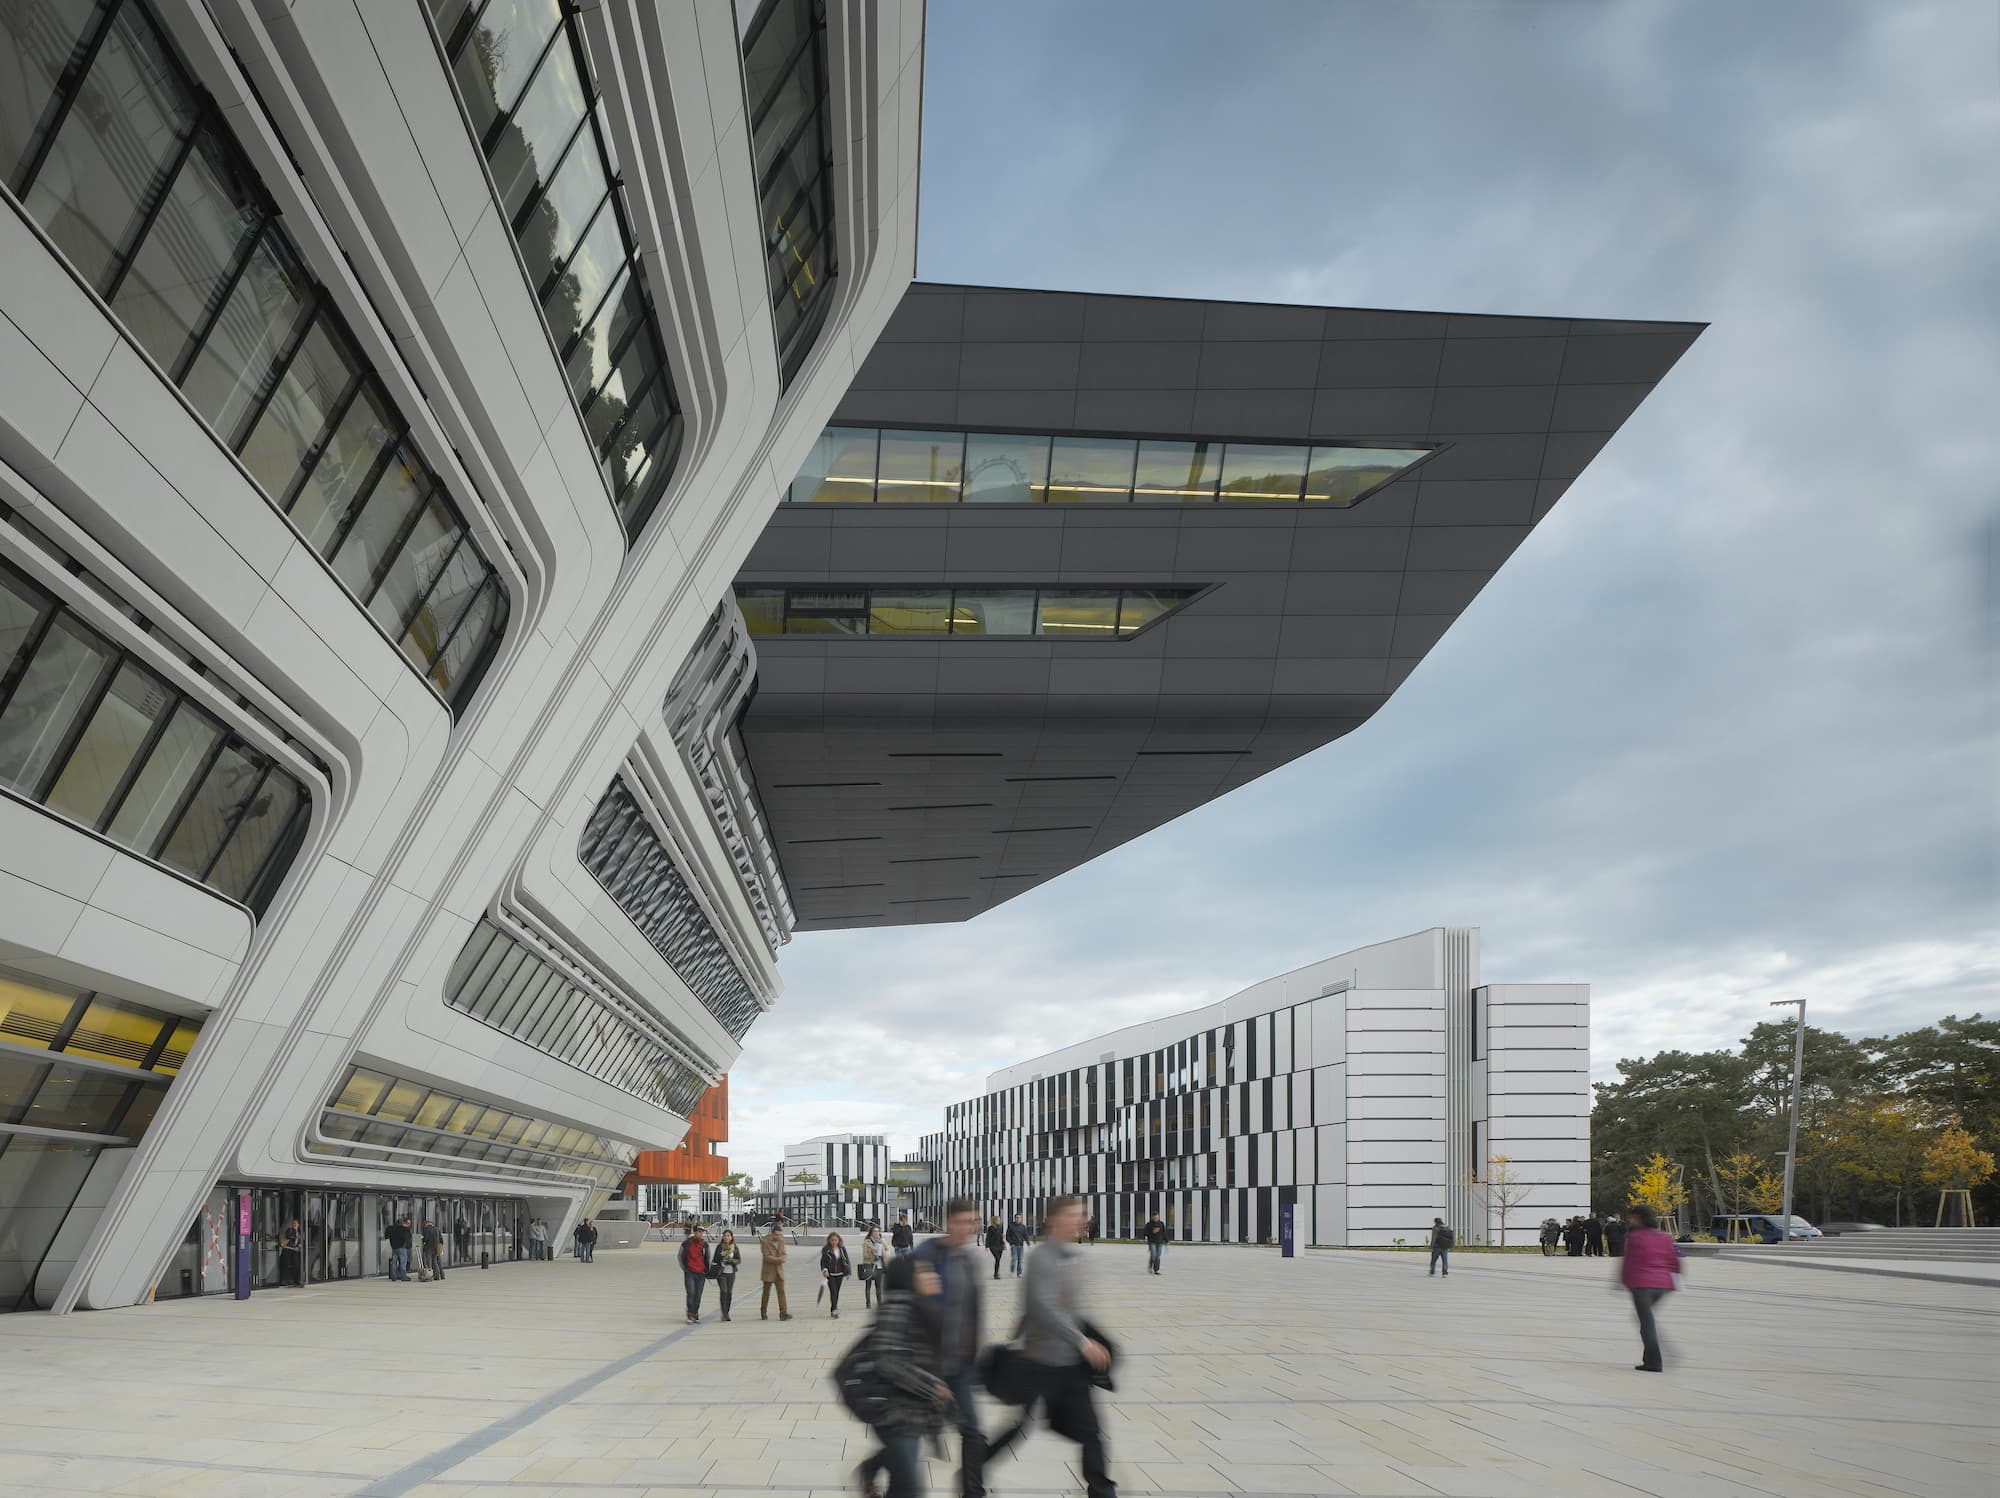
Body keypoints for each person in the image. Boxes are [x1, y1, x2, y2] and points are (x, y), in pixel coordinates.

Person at [986, 1195, 1115, 1498]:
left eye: (1083, 1214)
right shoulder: (1043, 1258)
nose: (1082, 1220)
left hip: (1070, 1366)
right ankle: (973, 1470)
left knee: (1092, 1434)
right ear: (1055, 1220)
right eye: (1074, 1214)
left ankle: (1102, 1491)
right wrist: (1084, 1342)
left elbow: (1072, 1311)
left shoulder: (1076, 1258)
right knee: (1019, 1427)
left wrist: (1093, 1342)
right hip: (1039, 1363)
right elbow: (1043, 1307)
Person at [854, 1256, 953, 1498]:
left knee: (902, 1487)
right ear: (909, 1279)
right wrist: (933, 1387)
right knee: (910, 1489)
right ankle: (870, 1468)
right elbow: (888, 1360)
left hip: (912, 1413)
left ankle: (870, 1468)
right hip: (895, 1413)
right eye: (924, 1273)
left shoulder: (921, 1307)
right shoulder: (898, 1307)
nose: (933, 1276)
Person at [914, 1197, 988, 1498]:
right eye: (961, 1222)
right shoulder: (928, 1253)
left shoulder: (970, 1260)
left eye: (972, 1222)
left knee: (972, 1432)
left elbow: (972, 1311)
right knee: (908, 1432)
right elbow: (910, 1301)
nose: (967, 1228)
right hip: (928, 1365)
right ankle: (876, 1468)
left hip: (962, 1364)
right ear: (948, 1223)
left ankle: (972, 1492)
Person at [1620, 1205, 1681, 1372]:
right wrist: (1676, 1278)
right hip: (1663, 1284)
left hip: (1642, 1284)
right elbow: (1674, 1260)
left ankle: (1655, 1362)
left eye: (1631, 1217)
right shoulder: (1665, 1236)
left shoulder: (1634, 1237)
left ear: (1638, 1218)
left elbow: (1629, 1261)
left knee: (1647, 1322)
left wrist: (1624, 1282)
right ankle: (1650, 1359)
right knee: (1646, 1320)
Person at [679, 1224, 710, 1323]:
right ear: (695, 1232)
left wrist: (707, 1270)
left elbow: (708, 1258)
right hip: (690, 1272)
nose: (701, 1234)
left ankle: (695, 1313)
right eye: (699, 1232)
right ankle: (690, 1314)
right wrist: (685, 1269)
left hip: (701, 1273)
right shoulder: (686, 1243)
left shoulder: (705, 1245)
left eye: (702, 1232)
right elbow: (680, 1256)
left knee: (698, 1294)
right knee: (691, 1293)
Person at [761, 1222, 792, 1320]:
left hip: (779, 1271)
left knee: (781, 1291)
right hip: (768, 1271)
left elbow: (784, 1254)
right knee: (766, 1292)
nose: (779, 1236)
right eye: (777, 1234)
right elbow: (766, 1257)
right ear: (772, 1233)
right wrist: (779, 1260)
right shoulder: (765, 1241)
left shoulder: (781, 1241)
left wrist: (783, 1258)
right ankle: (763, 1311)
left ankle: (783, 1313)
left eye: (780, 1234)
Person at [711, 1227, 743, 1320]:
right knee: (724, 1292)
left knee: (729, 1293)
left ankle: (727, 1312)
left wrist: (731, 1260)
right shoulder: (720, 1247)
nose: (726, 1237)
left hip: (731, 1273)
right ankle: (724, 1313)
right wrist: (720, 1255)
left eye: (728, 1236)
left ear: (731, 1237)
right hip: (721, 1273)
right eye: (725, 1236)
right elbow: (714, 1260)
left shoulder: (735, 1247)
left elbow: (739, 1260)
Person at [821, 1230, 853, 1318]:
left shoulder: (842, 1249)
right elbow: (823, 1261)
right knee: (833, 1291)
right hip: (830, 1274)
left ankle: (833, 1307)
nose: (834, 1242)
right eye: (832, 1240)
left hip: (840, 1273)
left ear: (839, 1240)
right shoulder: (826, 1249)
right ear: (829, 1240)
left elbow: (847, 1260)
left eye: (835, 1240)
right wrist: (824, 1270)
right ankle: (834, 1309)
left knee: (837, 1292)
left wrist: (848, 1272)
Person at [861, 1224, 890, 1309]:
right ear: (871, 1232)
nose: (877, 1233)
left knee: (879, 1285)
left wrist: (884, 1255)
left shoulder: (882, 1241)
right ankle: (868, 1302)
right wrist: (873, 1256)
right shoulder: (867, 1241)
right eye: (875, 1231)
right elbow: (865, 1254)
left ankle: (880, 1302)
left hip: (880, 1265)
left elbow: (887, 1250)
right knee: (868, 1284)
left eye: (878, 1231)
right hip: (869, 1264)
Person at [386, 1215, 412, 1282]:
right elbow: (406, 1238)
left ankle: (393, 1277)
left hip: (394, 1248)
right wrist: (408, 1246)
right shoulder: (403, 1229)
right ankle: (403, 1277)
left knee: (394, 1263)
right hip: (402, 1248)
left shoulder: (391, 1229)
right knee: (403, 1262)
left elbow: (387, 1236)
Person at [278, 1218, 304, 1287]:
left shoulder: (299, 1233)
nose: (294, 1225)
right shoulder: (290, 1230)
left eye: (295, 1223)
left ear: (298, 1225)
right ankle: (283, 1281)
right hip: (288, 1250)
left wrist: (299, 1245)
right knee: (286, 1265)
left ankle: (295, 1280)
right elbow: (288, 1236)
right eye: (293, 1223)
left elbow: (298, 1241)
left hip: (294, 1250)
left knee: (296, 1265)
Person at [420, 1217, 445, 1281]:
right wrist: (440, 1248)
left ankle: (430, 1276)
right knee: (435, 1262)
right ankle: (437, 1276)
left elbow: (426, 1239)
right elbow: (441, 1239)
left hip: (429, 1248)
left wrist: (423, 1239)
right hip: (436, 1248)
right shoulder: (437, 1229)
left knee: (429, 1263)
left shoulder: (427, 1229)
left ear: (426, 1224)